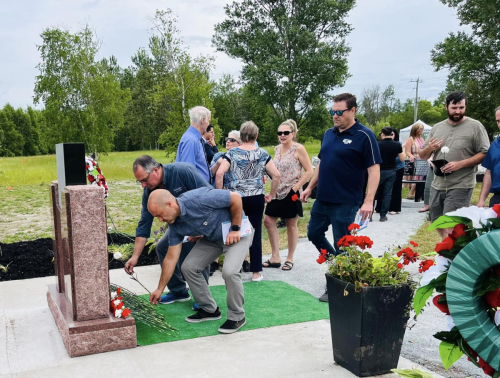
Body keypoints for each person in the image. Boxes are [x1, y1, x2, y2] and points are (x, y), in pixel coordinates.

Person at [300, 93, 381, 302]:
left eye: (339, 112)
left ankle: (340, 286)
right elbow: (322, 164)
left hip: (346, 201)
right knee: (314, 234)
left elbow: (374, 170)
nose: (335, 116)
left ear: (352, 111)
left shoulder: (364, 135)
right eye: (332, 112)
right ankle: (340, 271)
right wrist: (310, 187)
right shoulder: (328, 133)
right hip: (323, 198)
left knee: (343, 244)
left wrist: (368, 200)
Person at [148, 187, 253, 334]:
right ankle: (209, 309)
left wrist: (235, 228)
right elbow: (171, 258)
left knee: (229, 272)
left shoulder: (198, 199)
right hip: (213, 239)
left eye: (159, 215)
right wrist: (160, 289)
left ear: (170, 204)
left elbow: (235, 198)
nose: (160, 220)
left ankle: (237, 316)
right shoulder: (174, 226)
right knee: (189, 267)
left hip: (237, 234)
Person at [125, 156, 211, 306]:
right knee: (162, 248)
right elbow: (144, 224)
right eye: (140, 182)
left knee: (195, 250)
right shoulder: (149, 192)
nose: (143, 185)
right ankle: (179, 292)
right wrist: (135, 257)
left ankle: (202, 296)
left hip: (200, 222)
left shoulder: (183, 172)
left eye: (144, 180)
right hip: (178, 226)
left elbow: (208, 195)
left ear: (156, 170)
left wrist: (201, 229)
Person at [215, 121, 281, 282]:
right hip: (256, 197)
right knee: (255, 232)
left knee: (234, 230)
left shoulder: (231, 153)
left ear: (241, 136)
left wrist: (221, 194)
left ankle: (233, 268)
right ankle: (256, 272)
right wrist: (271, 194)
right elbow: (277, 175)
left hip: (236, 198)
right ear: (256, 136)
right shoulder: (263, 153)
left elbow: (219, 173)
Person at [419, 91, 490, 239]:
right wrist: (429, 149)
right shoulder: (437, 127)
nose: (458, 111)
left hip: (461, 183)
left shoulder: (475, 126)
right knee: (437, 221)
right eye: (454, 107)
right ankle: (449, 249)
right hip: (437, 183)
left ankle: (451, 256)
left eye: (461, 107)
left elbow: (484, 153)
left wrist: (460, 164)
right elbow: (422, 155)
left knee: (452, 223)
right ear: (446, 107)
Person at [263, 119, 314, 271]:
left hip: (291, 192)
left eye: (286, 133)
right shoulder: (277, 149)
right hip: (277, 191)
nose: (283, 135)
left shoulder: (298, 148)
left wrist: (297, 187)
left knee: (291, 224)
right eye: (280, 133)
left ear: (293, 134)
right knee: (268, 221)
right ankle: (275, 256)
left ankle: (290, 258)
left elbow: (310, 171)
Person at [375, 127, 405, 221]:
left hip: (379, 170)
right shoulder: (396, 144)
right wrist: (403, 149)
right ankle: (383, 216)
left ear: (382, 134)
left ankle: (370, 215)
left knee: (374, 192)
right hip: (391, 170)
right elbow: (402, 159)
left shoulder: (377, 144)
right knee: (387, 194)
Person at [176, 106, 212, 183]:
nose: (208, 124)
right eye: (208, 121)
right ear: (203, 120)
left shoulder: (193, 138)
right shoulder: (191, 141)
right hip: (196, 192)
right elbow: (187, 173)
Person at [478, 106, 500, 207]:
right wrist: (482, 199)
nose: (499, 124)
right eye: (498, 121)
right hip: (497, 198)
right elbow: (489, 172)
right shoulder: (495, 145)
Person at [403, 123, 426, 200]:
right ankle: (412, 193)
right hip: (414, 160)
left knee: (420, 177)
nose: (422, 130)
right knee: (414, 177)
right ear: (416, 130)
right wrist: (411, 156)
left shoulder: (422, 139)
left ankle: (413, 193)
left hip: (422, 160)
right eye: (420, 129)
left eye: (422, 129)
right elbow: (408, 151)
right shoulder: (410, 139)